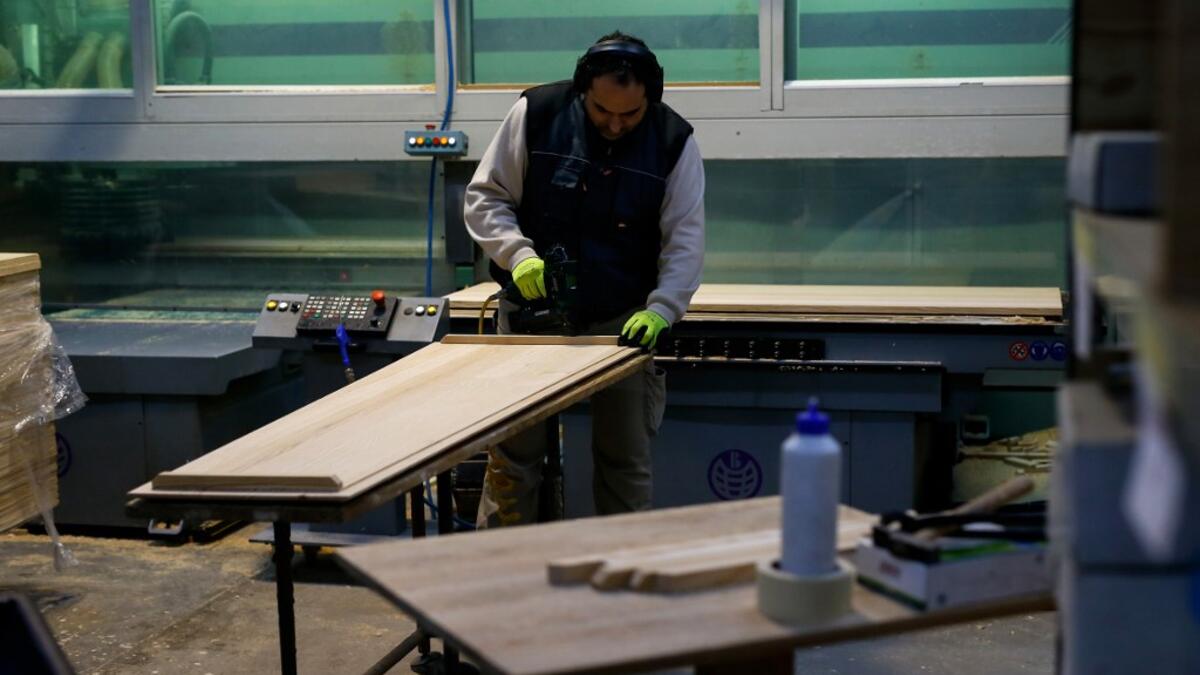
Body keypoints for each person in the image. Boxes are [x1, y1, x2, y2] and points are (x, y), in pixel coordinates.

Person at [463, 31, 705, 527]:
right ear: (582, 91)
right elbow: (486, 197)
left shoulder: (674, 141)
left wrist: (663, 309)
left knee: (625, 463)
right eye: (602, 111)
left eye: (630, 115)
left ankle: (621, 578)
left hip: (620, 322)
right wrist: (517, 255)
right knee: (514, 461)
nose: (615, 125)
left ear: (650, 99)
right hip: (532, 314)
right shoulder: (537, 114)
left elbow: (685, 239)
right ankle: (500, 574)